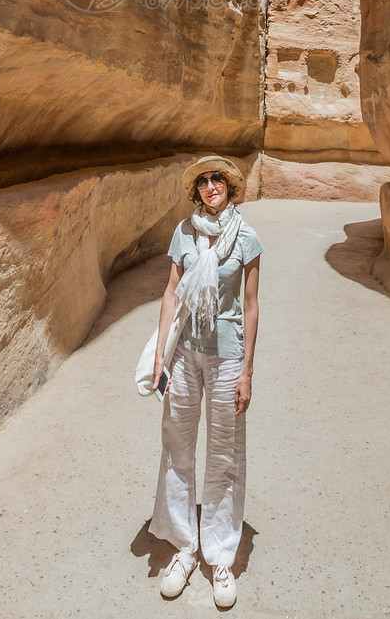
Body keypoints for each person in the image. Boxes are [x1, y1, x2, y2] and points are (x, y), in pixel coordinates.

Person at [149, 155, 262, 608]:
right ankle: (184, 547)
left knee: (224, 453)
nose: (211, 185)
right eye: (203, 180)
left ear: (229, 188)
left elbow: (250, 306)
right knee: (177, 445)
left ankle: (219, 555)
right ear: (195, 191)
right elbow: (171, 292)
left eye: (218, 179)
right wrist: (160, 355)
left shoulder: (248, 238)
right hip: (184, 354)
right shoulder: (184, 232)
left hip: (227, 358)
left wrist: (248, 370)